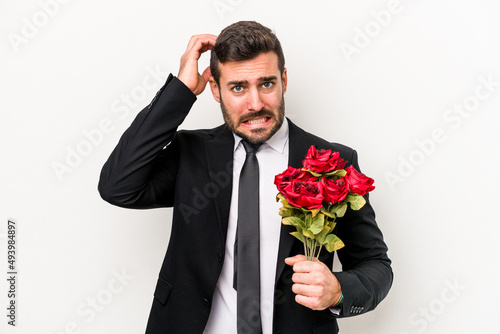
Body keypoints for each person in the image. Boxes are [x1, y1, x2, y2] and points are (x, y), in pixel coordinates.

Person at [98, 21, 392, 334]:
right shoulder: (191, 154)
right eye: (238, 87)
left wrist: (338, 290)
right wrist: (180, 92)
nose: (255, 103)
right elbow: (118, 185)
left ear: (284, 80)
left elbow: (375, 264)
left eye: (266, 84)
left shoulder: (333, 162)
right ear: (215, 89)